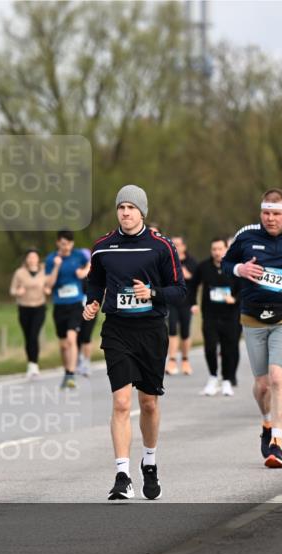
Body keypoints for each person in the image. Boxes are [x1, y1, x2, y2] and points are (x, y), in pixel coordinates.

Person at [83, 185, 186, 500]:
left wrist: (152, 293)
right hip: (117, 330)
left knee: (149, 403)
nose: (125, 212)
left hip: (152, 330)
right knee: (121, 402)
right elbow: (95, 280)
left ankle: (150, 462)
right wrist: (92, 302)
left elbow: (180, 291)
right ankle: (122, 474)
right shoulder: (103, 247)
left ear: (142, 211)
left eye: (131, 207)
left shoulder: (161, 247)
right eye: (121, 207)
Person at [221, 188, 282, 469]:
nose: (270, 219)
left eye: (276, 214)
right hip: (252, 316)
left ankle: (277, 442)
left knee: (278, 378)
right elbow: (226, 264)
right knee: (262, 385)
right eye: (266, 213)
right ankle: (266, 422)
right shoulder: (246, 236)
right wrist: (241, 270)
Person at [188, 237, 240, 396]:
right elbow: (192, 285)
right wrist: (193, 303)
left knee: (228, 349)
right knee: (210, 347)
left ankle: (226, 380)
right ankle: (212, 377)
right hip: (210, 315)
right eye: (214, 249)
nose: (217, 252)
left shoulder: (234, 267)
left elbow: (244, 288)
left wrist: (235, 299)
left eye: (220, 249)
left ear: (226, 249)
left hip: (230, 316)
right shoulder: (204, 267)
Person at [44, 230, 90, 389]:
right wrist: (56, 267)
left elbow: (93, 262)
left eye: (69, 243)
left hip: (76, 304)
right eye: (63, 244)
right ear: (58, 243)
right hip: (59, 305)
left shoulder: (79, 255)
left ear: (72, 243)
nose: (66, 247)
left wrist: (84, 272)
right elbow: (48, 284)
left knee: (72, 339)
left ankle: (71, 373)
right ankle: (67, 371)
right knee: (63, 345)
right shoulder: (51, 259)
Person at [9, 249, 49, 378]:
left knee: (33, 334)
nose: (32, 259)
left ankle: (34, 364)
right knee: (27, 337)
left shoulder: (44, 272)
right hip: (24, 308)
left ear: (38, 259)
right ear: (26, 259)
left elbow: (50, 285)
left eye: (34, 257)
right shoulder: (20, 273)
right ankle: (30, 362)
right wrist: (17, 292)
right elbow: (12, 290)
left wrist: (48, 289)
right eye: (29, 257)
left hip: (39, 307)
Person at [166, 235, 197, 376]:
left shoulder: (191, 261)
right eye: (173, 244)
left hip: (187, 303)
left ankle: (185, 360)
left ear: (184, 246)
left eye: (178, 244)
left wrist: (195, 303)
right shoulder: (167, 261)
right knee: (172, 329)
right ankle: (171, 360)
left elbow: (194, 281)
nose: (176, 247)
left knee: (185, 332)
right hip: (171, 302)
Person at [76, 247, 97, 377]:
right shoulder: (77, 271)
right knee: (77, 336)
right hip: (76, 308)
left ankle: (86, 363)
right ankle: (78, 361)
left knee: (86, 336)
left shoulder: (95, 272)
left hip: (90, 307)